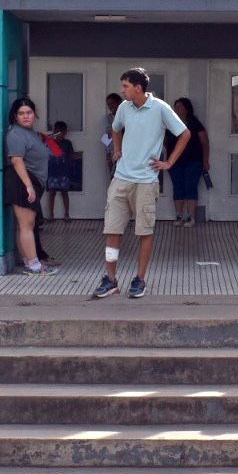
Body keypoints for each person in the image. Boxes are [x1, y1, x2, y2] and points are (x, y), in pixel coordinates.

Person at [93, 68, 188, 300]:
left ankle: (140, 278)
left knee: (144, 231)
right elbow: (116, 129)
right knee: (112, 229)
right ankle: (111, 279)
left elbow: (184, 134)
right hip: (121, 178)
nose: (122, 90)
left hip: (146, 181)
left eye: (125, 86)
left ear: (138, 87)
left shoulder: (160, 108)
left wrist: (169, 162)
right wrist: (117, 150)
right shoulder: (124, 108)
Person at [5, 97, 58, 276]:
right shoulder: (16, 134)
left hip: (32, 182)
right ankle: (34, 266)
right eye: (21, 113)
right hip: (23, 182)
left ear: (34, 114)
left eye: (29, 112)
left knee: (25, 225)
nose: (26, 116)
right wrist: (28, 186)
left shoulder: (31, 133)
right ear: (15, 116)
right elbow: (16, 160)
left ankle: (29, 262)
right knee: (26, 224)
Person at [165, 97, 209, 226]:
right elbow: (166, 142)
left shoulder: (195, 123)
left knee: (191, 187)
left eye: (180, 106)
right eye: (175, 107)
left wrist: (205, 161)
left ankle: (191, 217)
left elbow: (205, 143)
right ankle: (178, 216)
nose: (177, 109)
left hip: (193, 161)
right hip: (175, 162)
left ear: (187, 108)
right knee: (178, 187)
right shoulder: (171, 123)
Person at [44, 121, 76, 221]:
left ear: (65, 132)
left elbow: (71, 156)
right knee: (52, 193)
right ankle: (51, 215)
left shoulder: (67, 143)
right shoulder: (50, 143)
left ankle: (67, 214)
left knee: (64, 193)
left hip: (63, 172)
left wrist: (69, 167)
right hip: (52, 171)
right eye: (56, 132)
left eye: (60, 132)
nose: (58, 134)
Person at [101, 92, 122, 177]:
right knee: (113, 176)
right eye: (108, 104)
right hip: (111, 150)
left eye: (113, 103)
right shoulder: (108, 117)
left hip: (123, 151)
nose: (110, 106)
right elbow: (108, 130)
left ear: (119, 103)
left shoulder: (124, 116)